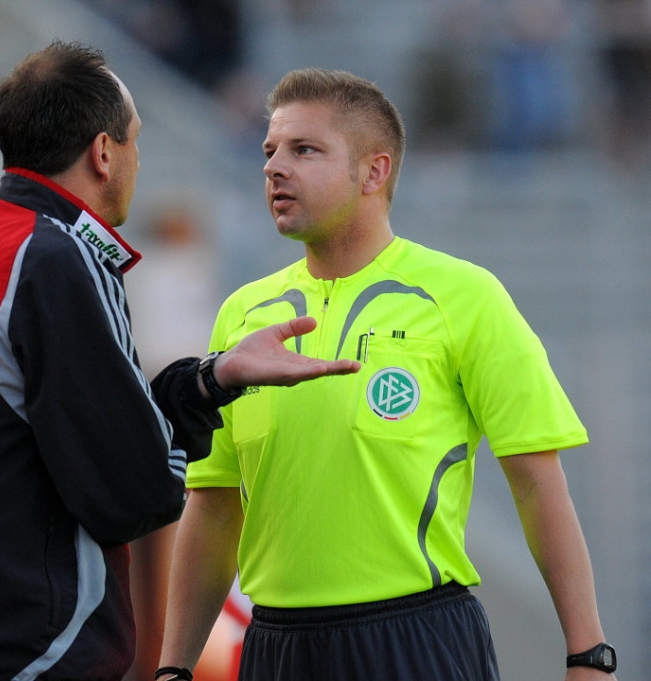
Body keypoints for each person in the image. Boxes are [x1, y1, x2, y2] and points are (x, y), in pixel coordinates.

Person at [0, 44, 359, 681]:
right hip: (9, 657)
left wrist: (211, 378)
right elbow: (133, 492)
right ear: (102, 152)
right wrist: (188, 420)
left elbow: (71, 433)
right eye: (134, 141)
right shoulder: (56, 257)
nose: (138, 161)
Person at [157, 68, 618, 680]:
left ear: (374, 172)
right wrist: (172, 669)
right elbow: (213, 507)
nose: (273, 167)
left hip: (416, 639)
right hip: (275, 648)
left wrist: (588, 654)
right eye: (269, 150)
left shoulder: (464, 296)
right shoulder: (243, 314)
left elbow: (537, 484)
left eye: (304, 150)